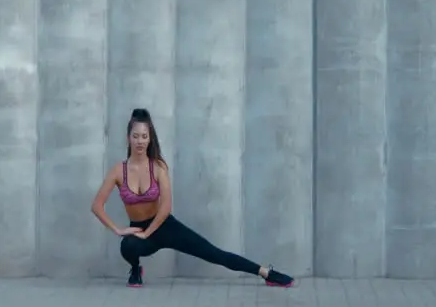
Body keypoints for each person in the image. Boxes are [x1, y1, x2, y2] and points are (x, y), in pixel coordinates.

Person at [90, 107, 295, 289]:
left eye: (144, 136)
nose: (140, 141)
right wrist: (119, 229)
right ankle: (135, 270)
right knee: (127, 246)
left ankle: (266, 272)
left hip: (164, 226)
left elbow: (165, 207)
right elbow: (97, 206)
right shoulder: (119, 171)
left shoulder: (158, 167)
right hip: (138, 229)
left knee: (214, 253)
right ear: (128, 138)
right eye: (136, 136)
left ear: (150, 138)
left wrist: (148, 233)